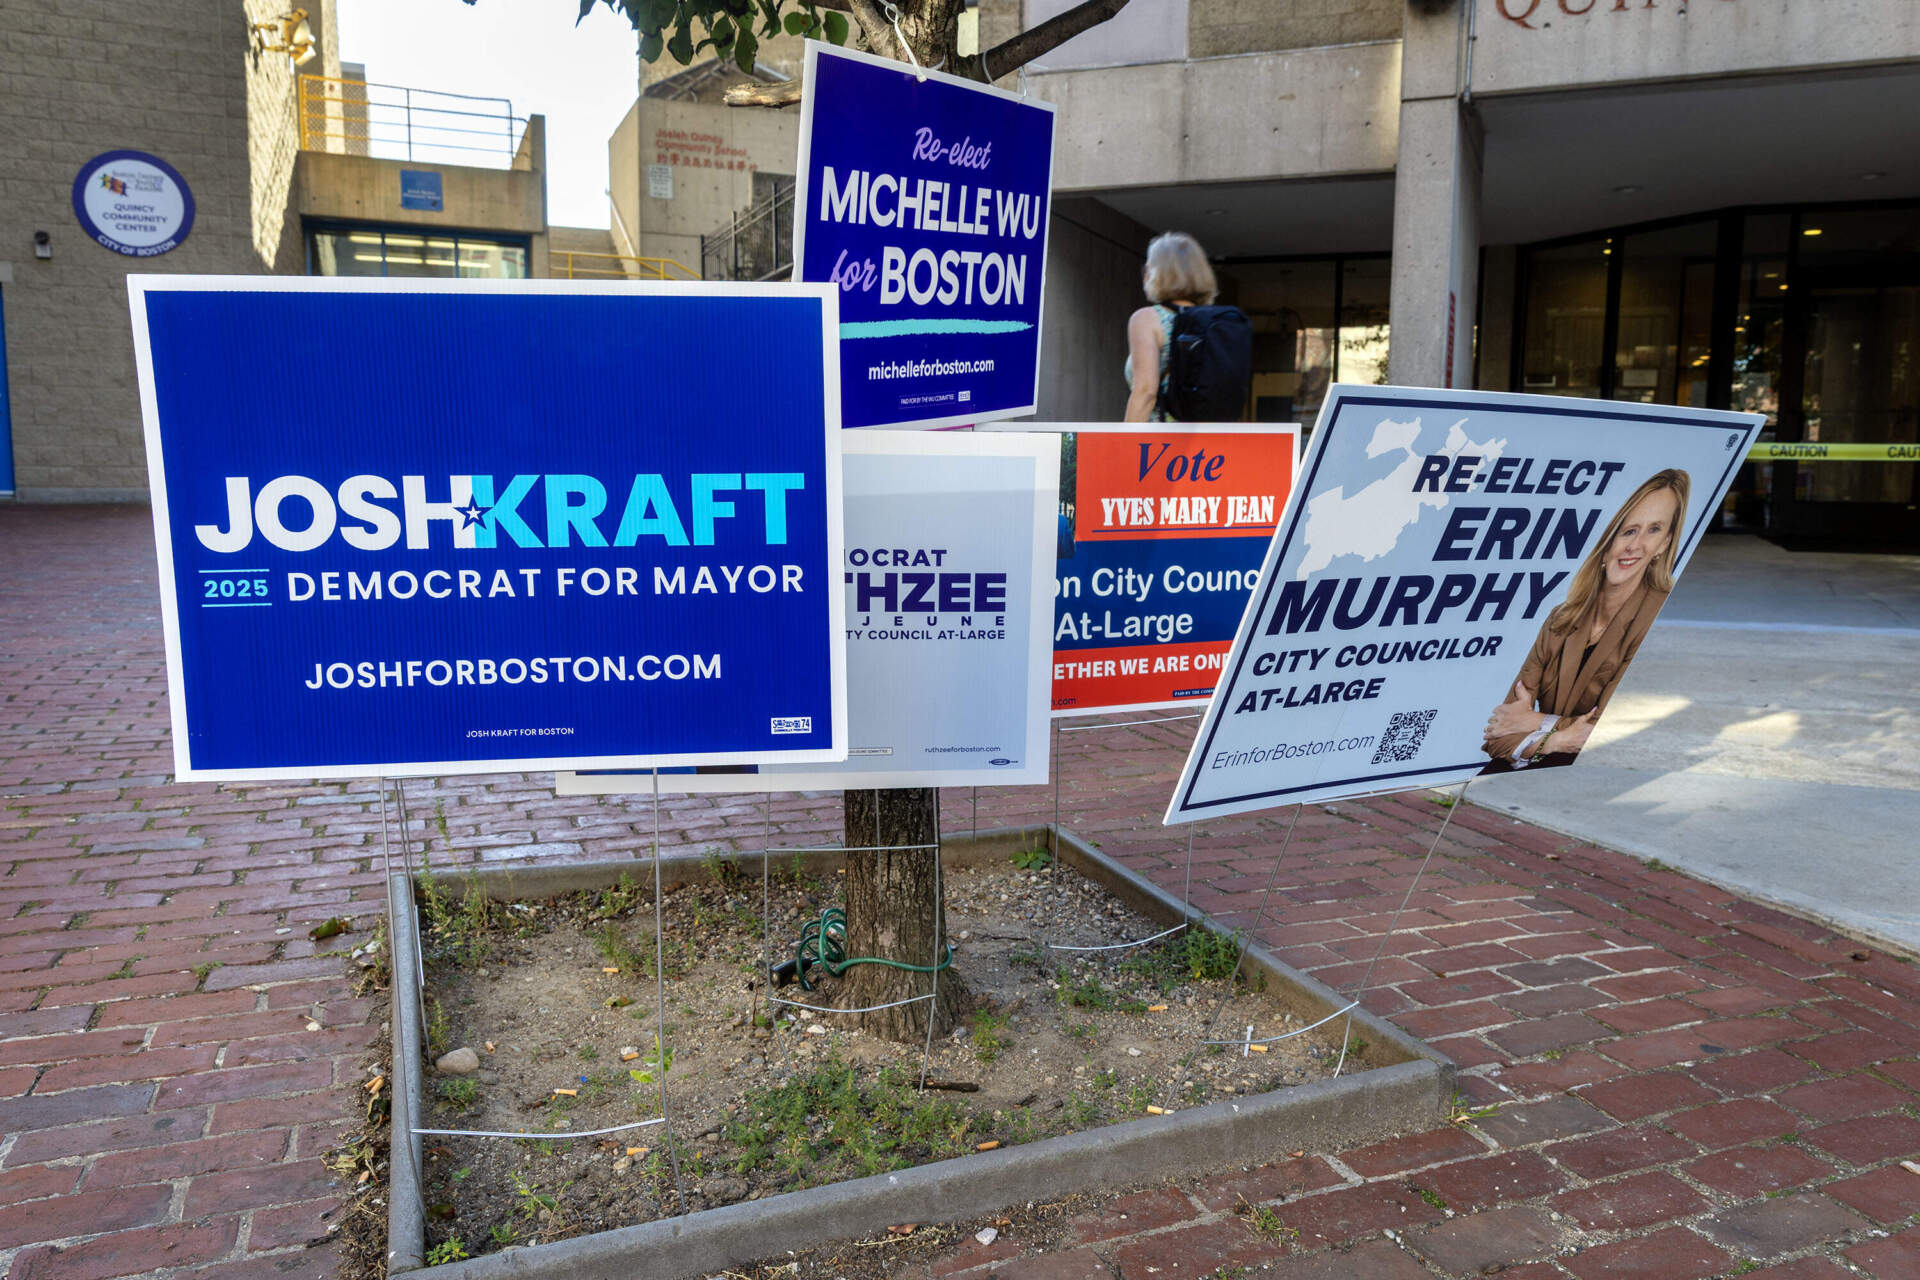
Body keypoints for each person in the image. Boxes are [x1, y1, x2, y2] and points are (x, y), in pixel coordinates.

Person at [1481, 468, 1692, 772]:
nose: (1635, 545)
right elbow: (1497, 734)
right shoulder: (1561, 618)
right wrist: (1553, 740)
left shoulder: (1659, 615)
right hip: (1544, 768)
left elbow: (1603, 732)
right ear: (1605, 541)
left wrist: (1536, 722)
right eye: (1628, 530)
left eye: (1654, 530)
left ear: (1664, 544)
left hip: (1607, 770)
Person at [1124, 232, 1217, 423]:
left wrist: (1122, 445)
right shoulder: (1214, 321)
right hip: (1207, 443)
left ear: (1156, 272)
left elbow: (1146, 392)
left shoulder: (1148, 319)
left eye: (1149, 265)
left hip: (1159, 444)